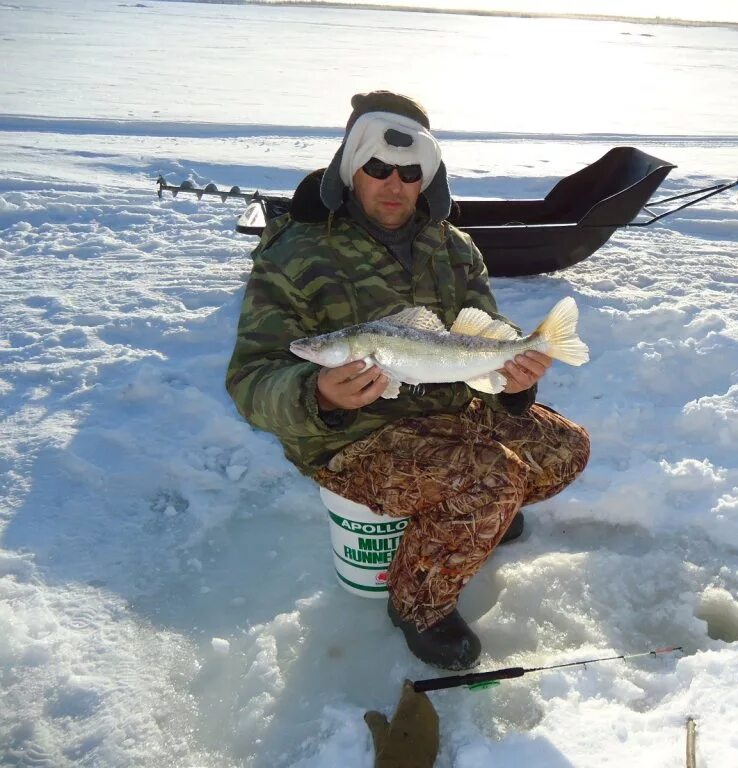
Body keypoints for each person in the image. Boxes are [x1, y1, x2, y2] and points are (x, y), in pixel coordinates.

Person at [225, 91, 590, 670]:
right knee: (491, 482)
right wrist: (316, 394)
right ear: (351, 166)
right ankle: (418, 604)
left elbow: (483, 332)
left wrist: (516, 376)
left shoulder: (454, 248)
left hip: (450, 408)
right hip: (352, 440)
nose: (394, 185)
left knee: (565, 448)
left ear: (428, 176)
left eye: (410, 171)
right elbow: (251, 378)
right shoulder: (294, 253)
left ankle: (469, 516)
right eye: (377, 168)